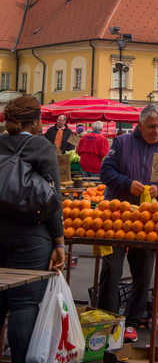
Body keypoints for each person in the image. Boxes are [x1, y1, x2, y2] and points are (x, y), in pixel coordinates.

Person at [97, 105, 158, 341]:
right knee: (112, 267)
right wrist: (125, 183)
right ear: (139, 125)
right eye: (152, 126)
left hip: (149, 221)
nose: (156, 131)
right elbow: (105, 172)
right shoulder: (121, 143)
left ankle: (132, 322)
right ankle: (108, 319)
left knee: (143, 271)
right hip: (116, 217)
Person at [0, 96, 64, 363]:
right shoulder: (41, 146)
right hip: (31, 236)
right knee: (24, 304)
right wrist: (59, 243)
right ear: (36, 122)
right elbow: (53, 200)